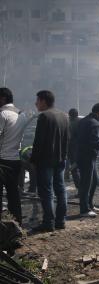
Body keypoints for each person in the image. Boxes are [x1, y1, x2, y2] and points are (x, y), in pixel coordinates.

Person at [30, 90, 69, 232]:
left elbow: (38, 142)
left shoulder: (44, 117)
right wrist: (64, 156)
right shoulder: (64, 116)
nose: (36, 103)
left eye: (37, 100)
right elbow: (66, 140)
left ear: (44, 101)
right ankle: (61, 221)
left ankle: (48, 222)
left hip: (45, 161)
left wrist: (33, 160)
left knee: (46, 191)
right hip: (60, 159)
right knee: (60, 189)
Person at [0, 88, 34, 225]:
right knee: (13, 194)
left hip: (2, 160)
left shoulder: (2, 114)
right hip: (15, 160)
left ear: (2, 98)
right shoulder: (21, 114)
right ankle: (17, 224)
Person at [76, 103, 99, 218]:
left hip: (83, 156)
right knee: (86, 183)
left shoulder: (83, 121)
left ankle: (90, 204)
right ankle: (84, 209)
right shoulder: (94, 124)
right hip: (87, 157)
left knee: (94, 181)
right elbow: (94, 141)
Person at [67, 108, 81, 195]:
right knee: (81, 170)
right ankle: (83, 190)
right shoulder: (82, 121)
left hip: (73, 149)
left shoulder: (70, 123)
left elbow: (68, 137)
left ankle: (80, 189)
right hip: (82, 149)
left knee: (74, 170)